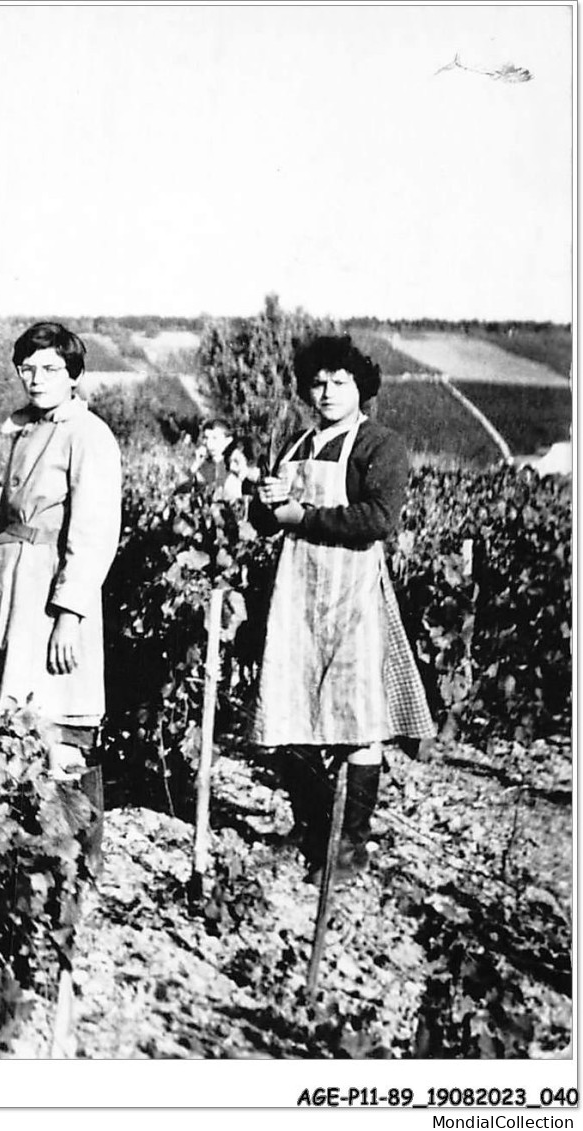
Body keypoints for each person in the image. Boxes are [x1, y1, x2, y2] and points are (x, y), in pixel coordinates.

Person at [252, 334, 435, 884]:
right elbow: (268, 521)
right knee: (291, 712)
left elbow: (378, 519)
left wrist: (299, 518)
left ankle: (349, 848)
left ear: (361, 388)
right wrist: (263, 505)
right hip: (297, 599)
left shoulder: (379, 445)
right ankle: (310, 830)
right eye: (318, 382)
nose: (328, 391)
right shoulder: (296, 444)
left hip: (353, 597)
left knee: (357, 724)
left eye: (340, 382)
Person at [0, 321, 122, 873]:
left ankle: (76, 857)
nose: (37, 379)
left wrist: (70, 613)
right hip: (12, 585)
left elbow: (94, 530)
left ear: (74, 374)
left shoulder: (88, 434)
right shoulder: (24, 431)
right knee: (13, 717)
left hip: (51, 591)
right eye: (28, 368)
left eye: (51, 369)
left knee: (59, 721)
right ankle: (20, 852)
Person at [219, 436, 261, 503]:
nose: (231, 467)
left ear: (250, 461)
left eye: (236, 462)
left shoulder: (263, 482)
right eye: (230, 461)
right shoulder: (233, 481)